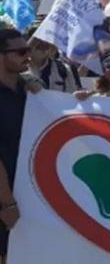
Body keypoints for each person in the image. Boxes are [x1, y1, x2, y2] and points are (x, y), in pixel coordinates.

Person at [0, 28, 33, 262]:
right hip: (6, 197)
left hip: (29, 192)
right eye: (21, 52)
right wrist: (8, 203)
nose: (28, 56)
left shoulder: (31, 90)